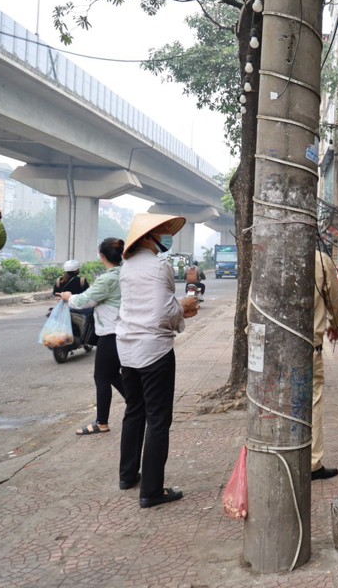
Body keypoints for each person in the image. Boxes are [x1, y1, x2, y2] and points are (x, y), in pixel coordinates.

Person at [117, 213, 198, 508]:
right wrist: (185, 306)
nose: (167, 236)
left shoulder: (127, 267)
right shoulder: (159, 265)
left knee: (134, 410)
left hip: (127, 347)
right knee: (159, 420)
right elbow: (165, 313)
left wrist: (177, 309)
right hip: (154, 350)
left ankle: (128, 475)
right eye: (164, 231)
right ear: (149, 236)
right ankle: (151, 490)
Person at [60, 238, 126, 436]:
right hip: (123, 330)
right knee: (112, 374)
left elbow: (84, 301)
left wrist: (68, 297)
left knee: (101, 376)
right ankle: (138, 403)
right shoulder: (125, 274)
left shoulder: (108, 279)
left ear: (102, 255)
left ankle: (102, 422)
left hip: (110, 333)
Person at [310, 249, 338, 481]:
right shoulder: (319, 259)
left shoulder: (267, 252)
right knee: (312, 401)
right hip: (308, 348)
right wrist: (336, 324)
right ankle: (311, 463)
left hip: (271, 351)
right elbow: (334, 298)